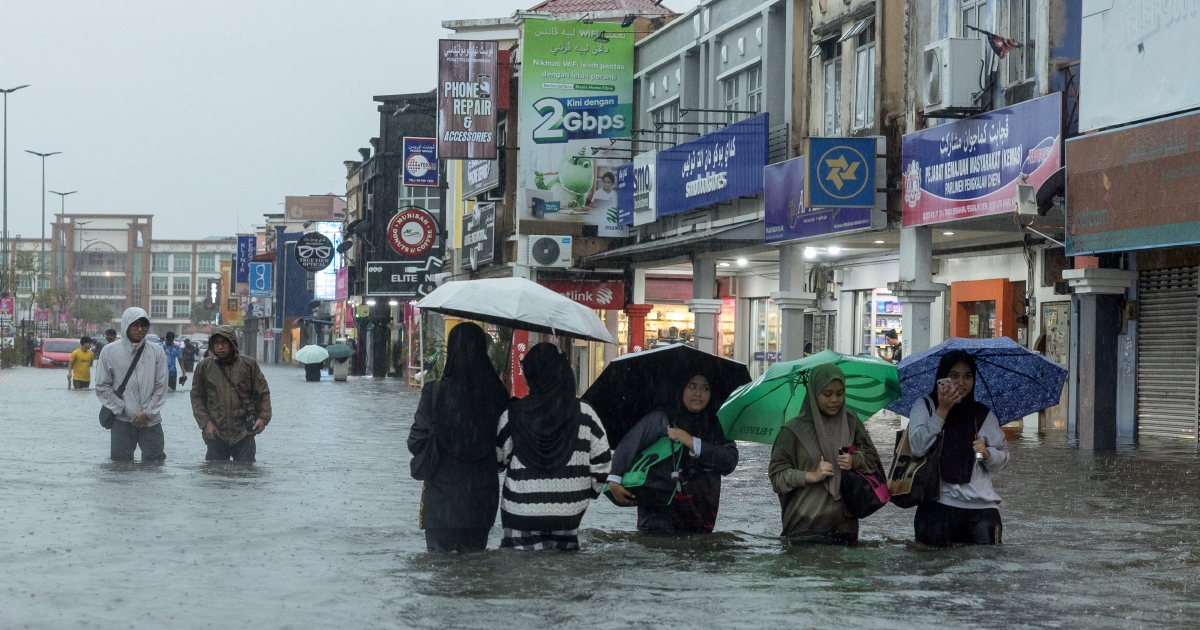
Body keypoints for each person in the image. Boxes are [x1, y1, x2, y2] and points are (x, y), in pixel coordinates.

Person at [496, 342, 611, 550]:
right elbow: (602, 463)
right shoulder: (585, 414)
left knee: (522, 579)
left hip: (521, 516)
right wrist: (585, 493)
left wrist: (503, 399)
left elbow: (497, 460)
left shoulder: (513, 414)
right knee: (564, 579)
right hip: (568, 516)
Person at [407, 324, 510, 552]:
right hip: (481, 502)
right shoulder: (497, 394)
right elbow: (505, 448)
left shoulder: (434, 392)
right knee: (476, 574)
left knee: (440, 577)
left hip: (441, 501)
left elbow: (415, 442)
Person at [607, 374, 740, 535]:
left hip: (700, 518)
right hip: (658, 519)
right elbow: (629, 445)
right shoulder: (662, 419)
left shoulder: (717, 424)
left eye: (705, 388)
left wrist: (690, 441)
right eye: (692, 386)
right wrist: (614, 480)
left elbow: (729, 460)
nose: (698, 393)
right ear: (680, 389)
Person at [767, 363, 880, 544]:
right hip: (804, 528)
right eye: (827, 394)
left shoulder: (851, 422)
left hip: (845, 528)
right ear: (813, 394)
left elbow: (872, 459)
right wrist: (811, 476)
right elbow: (777, 478)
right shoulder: (792, 431)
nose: (834, 399)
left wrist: (854, 460)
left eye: (840, 393)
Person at [907, 350, 1009, 547]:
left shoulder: (982, 414)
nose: (961, 383)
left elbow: (1004, 458)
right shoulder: (925, 406)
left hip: (982, 510)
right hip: (937, 507)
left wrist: (987, 454)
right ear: (942, 377)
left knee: (986, 569)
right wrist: (942, 411)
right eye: (954, 376)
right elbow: (917, 447)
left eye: (968, 376)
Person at [95, 307, 169, 462]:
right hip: (121, 420)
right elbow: (102, 386)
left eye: (144, 325)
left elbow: (161, 387)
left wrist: (147, 413)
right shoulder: (109, 352)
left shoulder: (157, 352)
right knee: (121, 468)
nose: (140, 329)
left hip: (151, 422)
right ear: (126, 325)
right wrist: (123, 408)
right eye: (135, 325)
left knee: (155, 465)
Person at [190, 325, 272, 463]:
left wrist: (263, 418)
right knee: (216, 477)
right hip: (216, 431)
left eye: (224, 342)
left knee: (245, 476)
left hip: (244, 431)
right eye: (216, 343)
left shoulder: (248, 365)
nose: (220, 347)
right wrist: (205, 423)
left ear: (232, 343)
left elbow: (263, 393)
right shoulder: (204, 367)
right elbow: (196, 398)